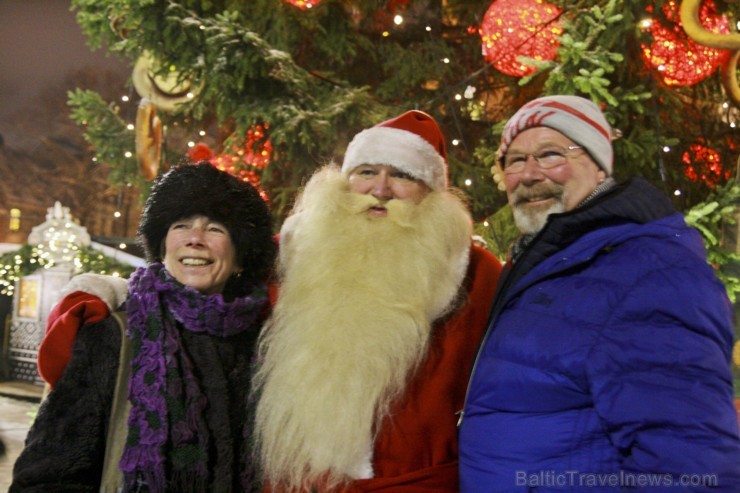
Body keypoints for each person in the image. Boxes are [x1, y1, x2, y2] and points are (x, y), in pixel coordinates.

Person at [38, 110, 503, 492]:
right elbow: (198, 281)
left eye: (402, 175)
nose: (380, 189)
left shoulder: (474, 273)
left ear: (432, 192)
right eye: (366, 172)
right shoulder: (295, 254)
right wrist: (111, 292)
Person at [458, 95, 740, 492]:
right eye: (515, 160)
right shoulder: (547, 264)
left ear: (599, 165)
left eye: (551, 154)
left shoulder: (646, 270)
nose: (529, 174)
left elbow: (689, 462)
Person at [10, 162, 276, 493]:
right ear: (161, 245)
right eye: (181, 225)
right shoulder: (113, 335)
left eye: (216, 229)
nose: (195, 239)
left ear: (240, 258)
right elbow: (47, 475)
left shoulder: (263, 348)